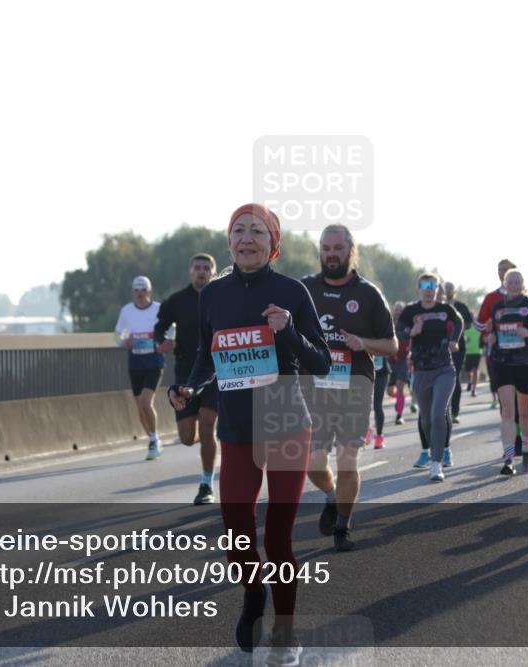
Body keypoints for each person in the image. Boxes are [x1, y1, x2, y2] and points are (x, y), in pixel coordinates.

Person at [168, 204, 329, 663]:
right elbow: (207, 356)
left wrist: (289, 331)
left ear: (272, 242)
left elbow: (320, 361)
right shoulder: (212, 295)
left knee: (278, 537)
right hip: (236, 427)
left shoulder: (292, 291)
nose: (246, 238)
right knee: (237, 534)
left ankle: (285, 631)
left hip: (284, 422)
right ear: (229, 241)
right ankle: (253, 592)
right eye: (239, 230)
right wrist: (188, 388)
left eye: (257, 231)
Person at [302, 224, 396, 551]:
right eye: (326, 248)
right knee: (312, 462)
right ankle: (332, 496)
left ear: (350, 250)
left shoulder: (368, 294)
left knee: (347, 459)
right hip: (314, 386)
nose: (331, 254)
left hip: (355, 383)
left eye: (337, 248)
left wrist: (362, 343)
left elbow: (392, 344)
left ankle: (342, 527)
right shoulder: (304, 289)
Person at [154, 253, 219, 504]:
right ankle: (210, 442)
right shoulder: (177, 301)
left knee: (207, 424)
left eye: (206, 268)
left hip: (214, 371)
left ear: (213, 272)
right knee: (187, 438)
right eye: (197, 268)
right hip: (185, 374)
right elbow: (159, 327)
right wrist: (161, 342)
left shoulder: (221, 297)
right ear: (190, 272)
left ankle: (206, 484)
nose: (201, 272)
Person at [400, 273, 463, 482]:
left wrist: (454, 340)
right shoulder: (411, 310)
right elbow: (398, 330)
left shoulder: (445, 310)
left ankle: (436, 464)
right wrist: (412, 331)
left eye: (432, 286)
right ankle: (434, 449)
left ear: (437, 289)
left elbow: (460, 321)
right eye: (425, 286)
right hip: (420, 370)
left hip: (444, 368)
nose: (429, 290)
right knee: (426, 418)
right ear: (419, 289)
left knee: (438, 414)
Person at [484, 269, 528, 474]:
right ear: (504, 283)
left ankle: (527, 448)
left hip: (526, 362)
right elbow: (491, 333)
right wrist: (490, 338)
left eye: (517, 281)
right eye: (510, 281)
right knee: (508, 412)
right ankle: (509, 458)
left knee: (524, 412)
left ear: (523, 284)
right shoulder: (498, 307)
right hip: (502, 362)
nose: (514, 284)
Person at [115, 275, 165, 460]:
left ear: (149, 291)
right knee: (139, 405)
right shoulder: (127, 311)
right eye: (136, 290)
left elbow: (172, 329)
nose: (140, 293)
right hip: (135, 362)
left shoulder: (159, 309)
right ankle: (152, 437)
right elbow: (118, 334)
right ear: (133, 292)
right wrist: (124, 341)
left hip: (154, 362)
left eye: (143, 289)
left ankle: (155, 439)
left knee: (146, 402)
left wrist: (165, 341)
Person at [476, 259, 522, 453]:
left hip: (522, 356)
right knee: (507, 404)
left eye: (506, 270)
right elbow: (479, 324)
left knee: (521, 404)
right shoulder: (491, 298)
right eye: (500, 270)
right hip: (499, 357)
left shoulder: (525, 299)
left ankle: (520, 436)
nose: (503, 272)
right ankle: (512, 443)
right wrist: (487, 331)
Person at [443, 282, 473, 424]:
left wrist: (457, 331)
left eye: (450, 288)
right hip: (440, 348)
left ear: (454, 290)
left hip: (457, 347)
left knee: (454, 378)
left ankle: (455, 412)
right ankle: (443, 410)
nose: (447, 291)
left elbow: (468, 322)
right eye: (445, 288)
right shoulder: (439, 307)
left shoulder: (461, 307)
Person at [389, 301, 412, 425]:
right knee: (389, 391)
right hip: (390, 360)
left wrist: (396, 335)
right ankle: (400, 399)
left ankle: (399, 415)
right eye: (396, 309)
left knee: (399, 386)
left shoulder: (407, 323)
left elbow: (406, 335)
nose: (397, 311)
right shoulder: (388, 322)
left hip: (403, 360)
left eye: (400, 309)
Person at [463, 319, 483, 397]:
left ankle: (473, 389)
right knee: (468, 371)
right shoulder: (468, 331)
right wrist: (466, 340)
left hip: (477, 353)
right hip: (468, 353)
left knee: (475, 370)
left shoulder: (480, 331)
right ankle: (469, 382)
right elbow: (464, 339)